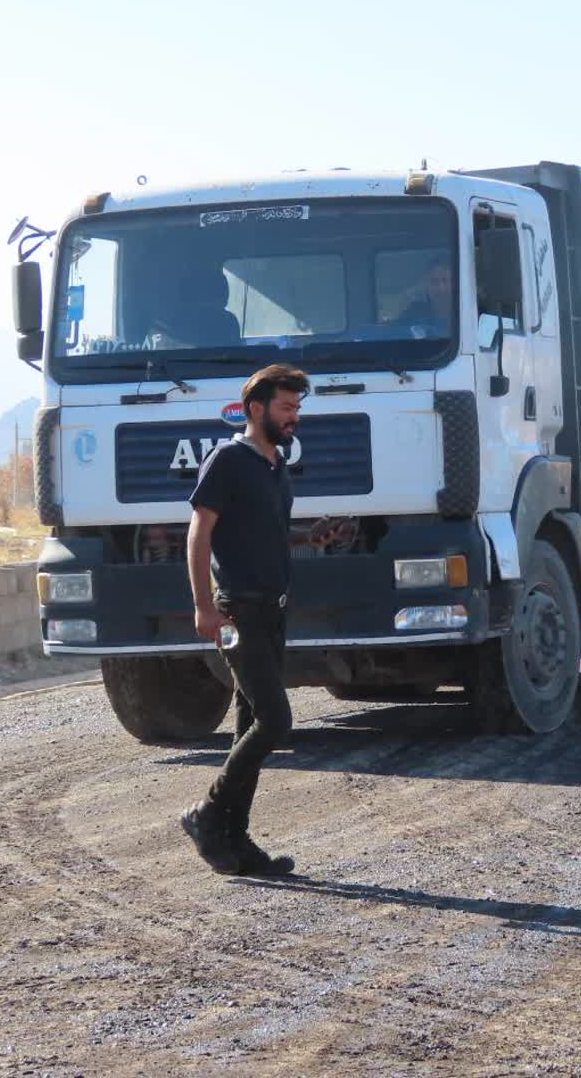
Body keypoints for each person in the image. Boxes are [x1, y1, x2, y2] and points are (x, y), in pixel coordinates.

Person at [180, 363, 354, 874]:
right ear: (256, 409)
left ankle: (235, 842)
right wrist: (203, 606)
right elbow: (199, 534)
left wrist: (310, 536)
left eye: (298, 407)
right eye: (286, 407)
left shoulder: (275, 465)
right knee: (275, 722)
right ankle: (207, 813)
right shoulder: (228, 460)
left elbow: (266, 531)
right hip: (237, 611)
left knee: (248, 727)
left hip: (273, 609)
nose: (294, 416)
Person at [397, 258, 454, 332]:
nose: (441, 288)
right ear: (427, 285)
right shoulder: (415, 312)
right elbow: (395, 330)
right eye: (434, 281)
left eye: (445, 280)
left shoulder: (464, 311)